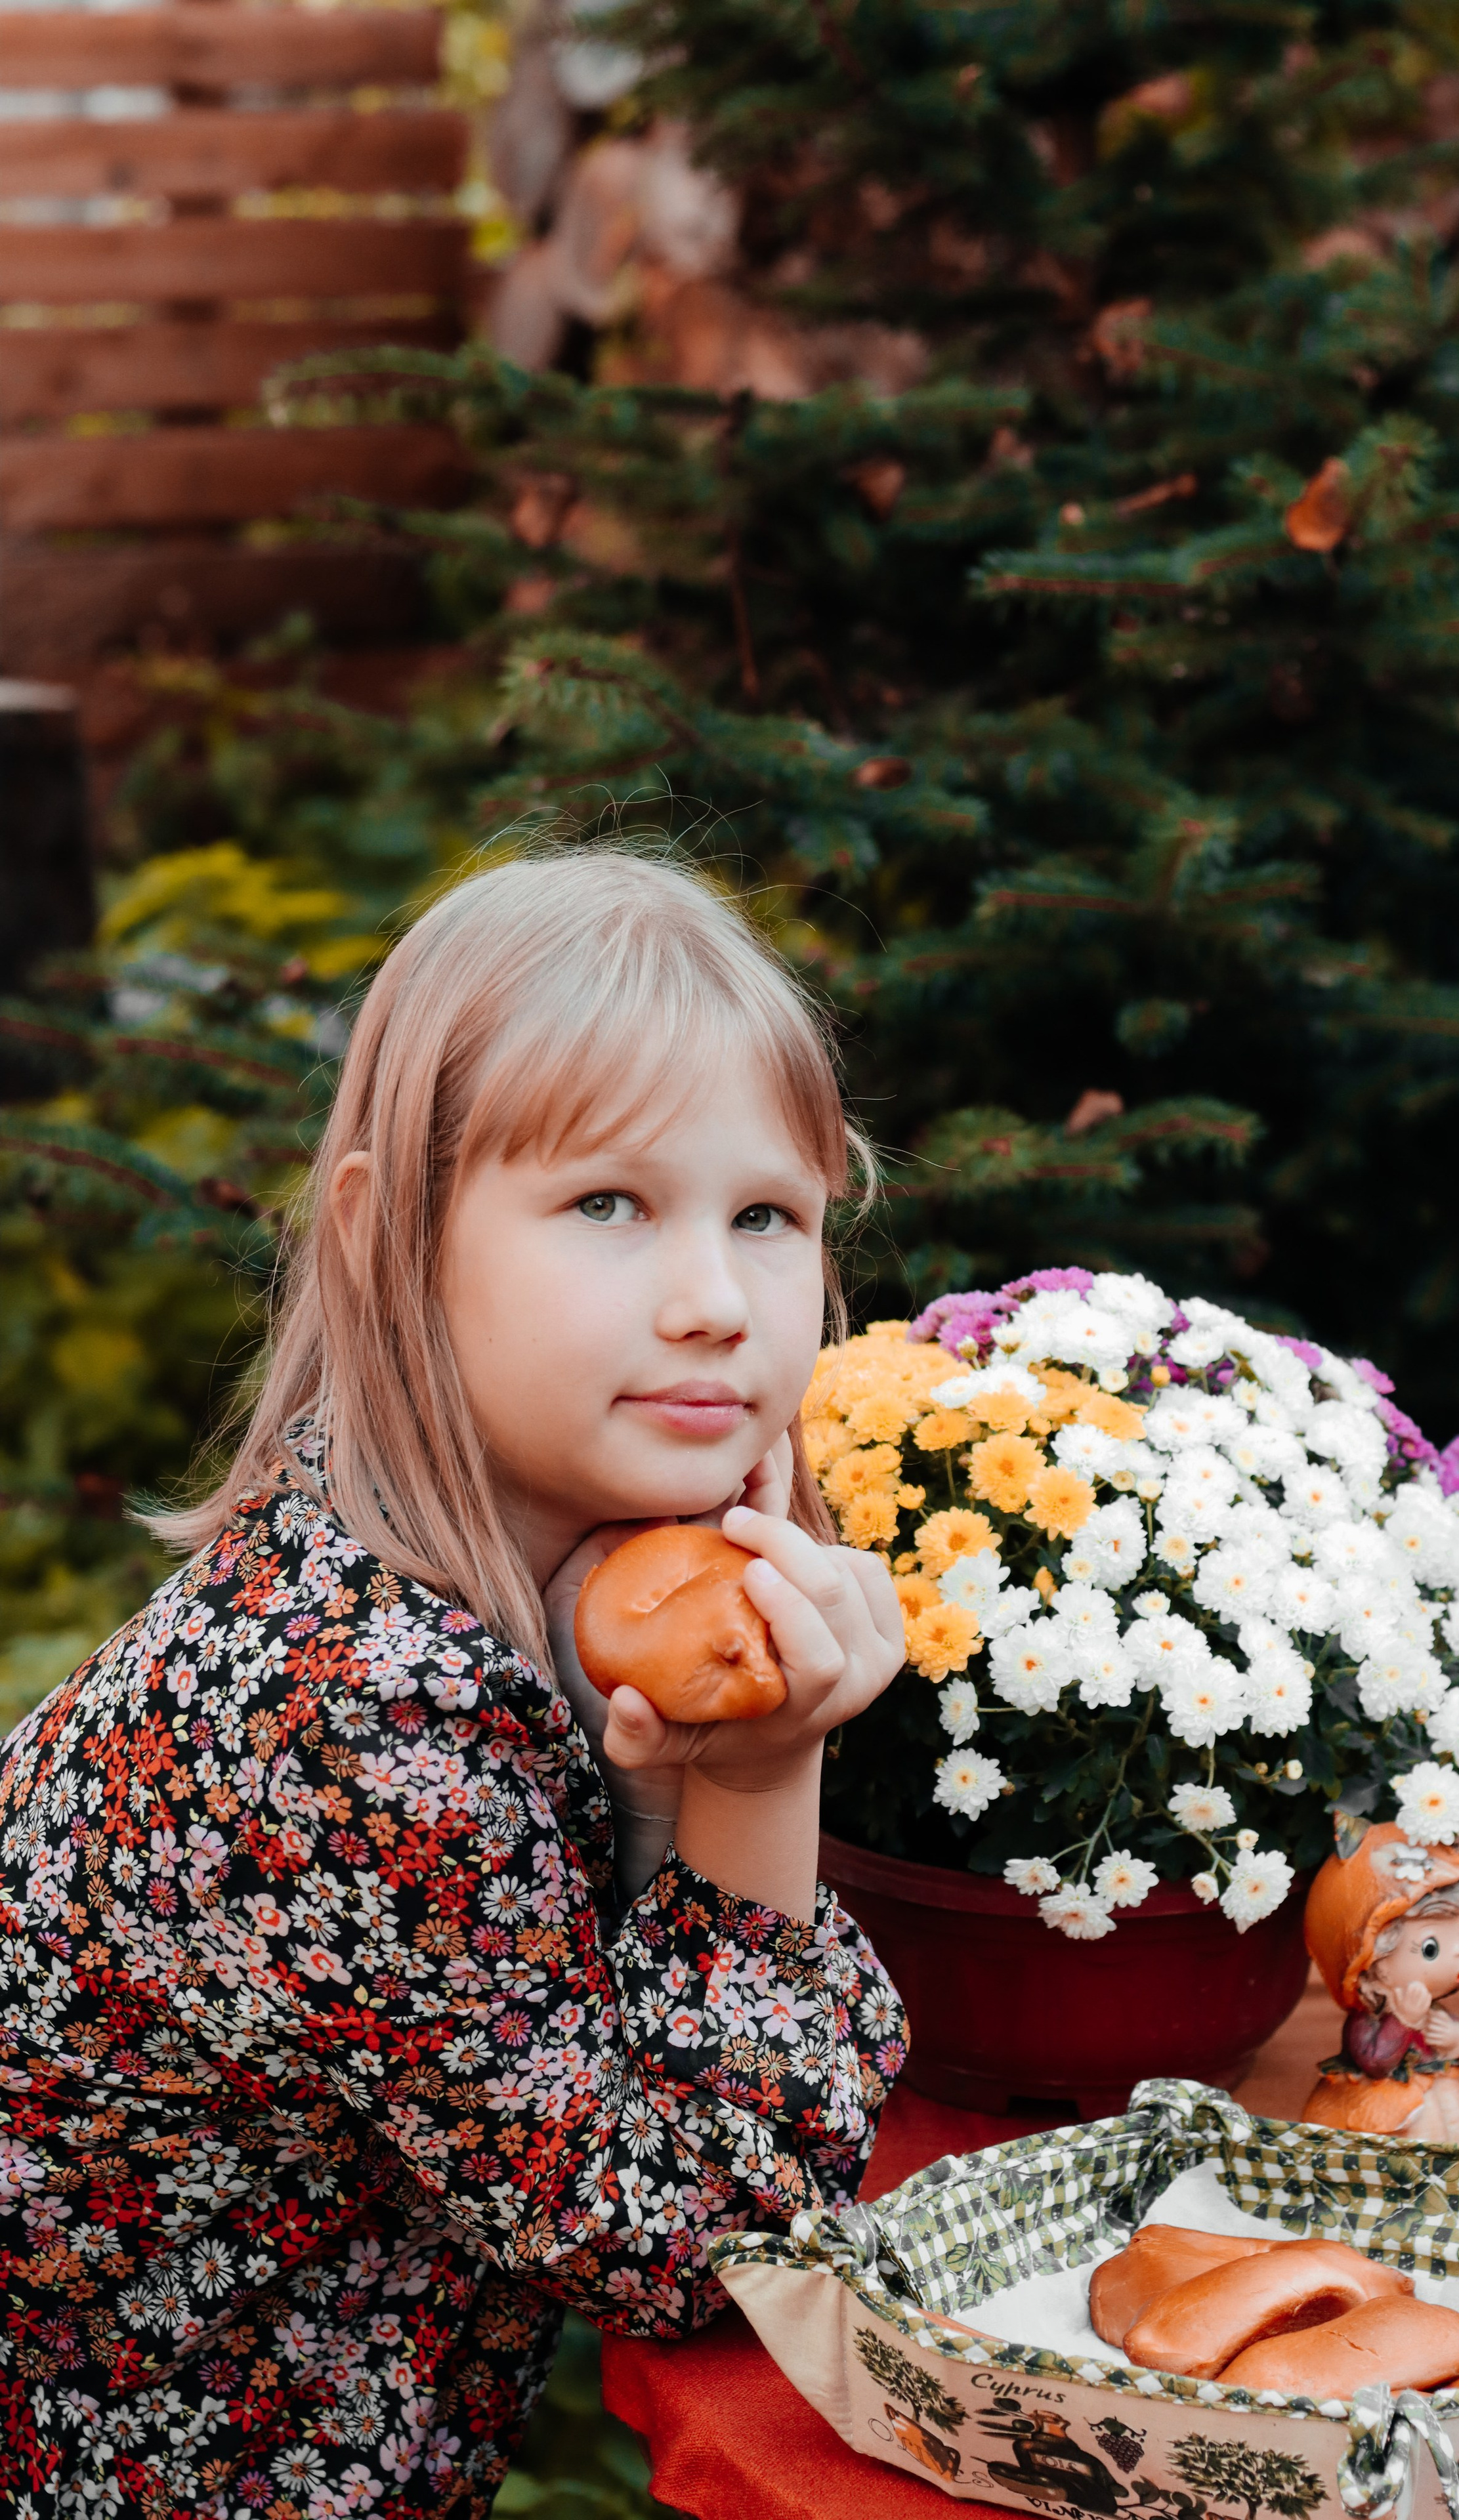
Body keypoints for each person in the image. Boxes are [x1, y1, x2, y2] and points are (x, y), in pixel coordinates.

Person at [0, 853, 907, 2519]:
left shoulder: (561, 1558)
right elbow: (691, 2243)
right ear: (389, 1236)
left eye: (763, 1214)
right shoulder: (350, 1707)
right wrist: (766, 1774)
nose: (713, 1299)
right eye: (608, 1203)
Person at [1298, 1820, 1459, 2143]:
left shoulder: (1433, 2008)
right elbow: (1375, 2063)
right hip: (1386, 2104)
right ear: (1370, 1965)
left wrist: (1457, 2041)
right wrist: (1404, 2020)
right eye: (1430, 1948)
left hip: (1442, 2089)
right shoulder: (1368, 2020)